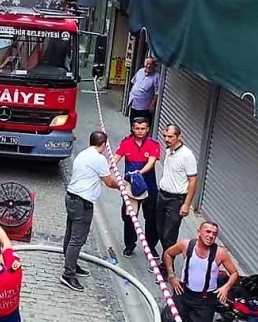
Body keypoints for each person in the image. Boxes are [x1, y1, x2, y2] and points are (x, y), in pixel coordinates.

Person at [61, 131, 119, 292]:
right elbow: (109, 181)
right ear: (104, 145)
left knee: (70, 232)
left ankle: (70, 263)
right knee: (77, 239)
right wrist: (122, 186)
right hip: (82, 202)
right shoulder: (99, 159)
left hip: (72, 197)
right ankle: (68, 273)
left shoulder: (83, 154)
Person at [163, 221, 239, 322]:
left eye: (214, 234)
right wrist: (172, 276)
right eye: (208, 232)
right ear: (199, 232)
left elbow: (234, 273)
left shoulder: (220, 253)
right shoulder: (186, 245)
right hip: (183, 293)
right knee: (167, 318)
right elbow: (168, 254)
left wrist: (226, 287)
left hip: (205, 301)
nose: (211, 236)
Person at [113, 116, 161, 258]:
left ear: (147, 129)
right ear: (132, 128)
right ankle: (129, 245)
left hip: (149, 188)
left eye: (143, 129)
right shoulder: (126, 143)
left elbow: (151, 163)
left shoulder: (153, 144)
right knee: (129, 217)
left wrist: (138, 173)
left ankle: (151, 247)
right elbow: (116, 158)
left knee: (151, 218)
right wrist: (107, 167)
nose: (140, 131)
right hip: (131, 189)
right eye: (137, 128)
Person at [157, 124, 198, 276]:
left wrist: (186, 204)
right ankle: (165, 257)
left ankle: (167, 268)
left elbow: (193, 181)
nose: (166, 139)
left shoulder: (187, 156)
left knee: (170, 235)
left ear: (179, 137)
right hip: (163, 195)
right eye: (165, 136)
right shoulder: (169, 151)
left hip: (176, 199)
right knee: (160, 230)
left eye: (170, 137)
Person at [127, 57, 160, 127]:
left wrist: (152, 104)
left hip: (144, 107)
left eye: (151, 64)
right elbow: (134, 82)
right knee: (133, 123)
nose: (148, 66)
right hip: (134, 102)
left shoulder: (156, 76)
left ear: (154, 66)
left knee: (142, 125)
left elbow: (157, 92)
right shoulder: (140, 71)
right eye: (147, 64)